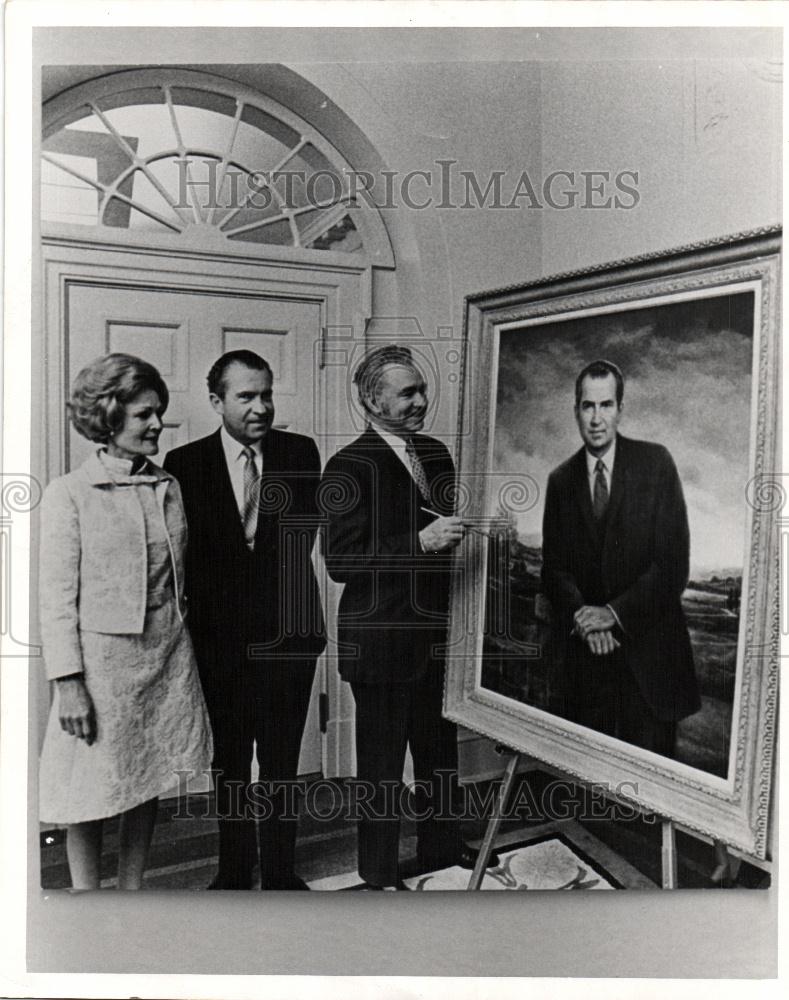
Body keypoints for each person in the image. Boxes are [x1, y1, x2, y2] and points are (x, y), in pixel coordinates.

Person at [38, 353, 212, 890]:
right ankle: (90, 901)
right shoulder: (69, 494)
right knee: (91, 789)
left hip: (165, 657)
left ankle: (132, 892)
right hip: (102, 668)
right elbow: (56, 598)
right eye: (143, 415)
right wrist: (68, 684)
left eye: (157, 412)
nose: (157, 424)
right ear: (109, 416)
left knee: (148, 777)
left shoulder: (168, 485)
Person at [163, 350, 325, 890]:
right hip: (220, 644)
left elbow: (294, 545)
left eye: (267, 394)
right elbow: (188, 559)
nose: (261, 407)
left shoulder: (302, 454)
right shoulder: (184, 465)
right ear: (216, 402)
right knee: (229, 761)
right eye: (246, 397)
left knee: (281, 761)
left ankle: (280, 870)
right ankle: (234, 869)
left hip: (290, 638)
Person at [322, 344, 472, 889]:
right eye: (407, 393)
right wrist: (422, 542)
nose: (420, 401)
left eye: (422, 390)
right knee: (382, 768)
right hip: (380, 644)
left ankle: (445, 848)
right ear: (371, 401)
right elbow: (341, 560)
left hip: (434, 637)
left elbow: (446, 534)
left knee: (439, 756)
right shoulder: (347, 466)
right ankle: (379, 872)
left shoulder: (434, 454)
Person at [541, 359, 700, 756]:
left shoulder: (656, 464)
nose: (597, 418)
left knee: (651, 799)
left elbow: (672, 565)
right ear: (576, 410)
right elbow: (554, 568)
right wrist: (585, 620)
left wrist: (611, 614)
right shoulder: (561, 481)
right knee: (592, 792)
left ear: (620, 409)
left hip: (652, 666)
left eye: (606, 405)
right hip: (587, 664)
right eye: (587, 406)